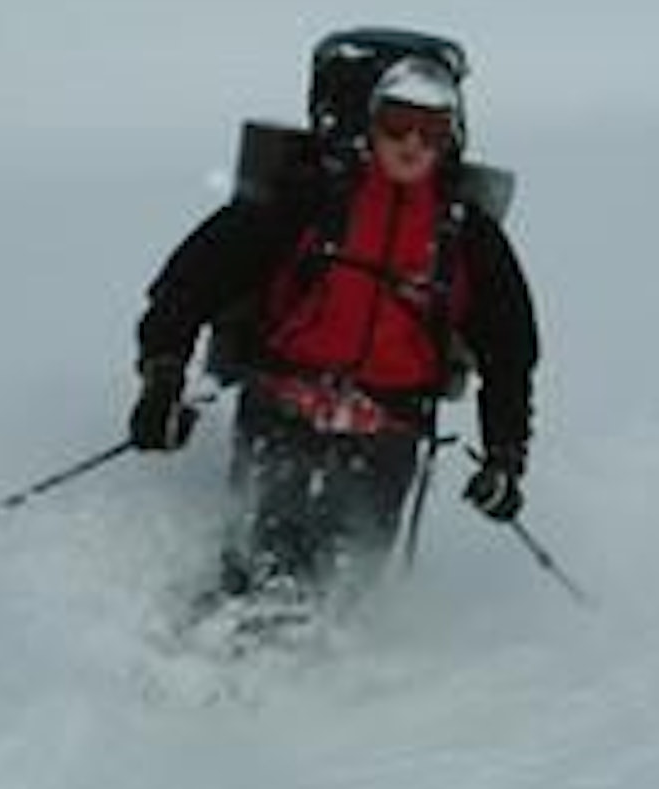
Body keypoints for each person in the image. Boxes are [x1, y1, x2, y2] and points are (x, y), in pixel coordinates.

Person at [127, 44, 539, 608]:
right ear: (370, 123)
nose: (413, 143)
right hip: (282, 409)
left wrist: (505, 459)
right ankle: (207, 672)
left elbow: (510, 352)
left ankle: (316, 688)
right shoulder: (307, 199)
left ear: (451, 137)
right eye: (398, 123)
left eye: (431, 129)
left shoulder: (467, 237)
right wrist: (163, 378)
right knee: (256, 561)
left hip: (388, 430)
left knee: (345, 585)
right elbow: (190, 284)